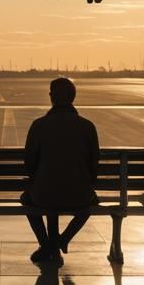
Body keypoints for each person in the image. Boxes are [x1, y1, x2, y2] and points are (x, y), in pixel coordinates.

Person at [21, 76, 99, 264]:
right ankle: (62, 240)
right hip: (79, 195)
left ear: (52, 97)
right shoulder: (87, 127)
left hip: (45, 194)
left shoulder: (39, 125)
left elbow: (29, 164)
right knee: (90, 201)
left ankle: (47, 244)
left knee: (31, 198)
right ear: (73, 97)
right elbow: (93, 165)